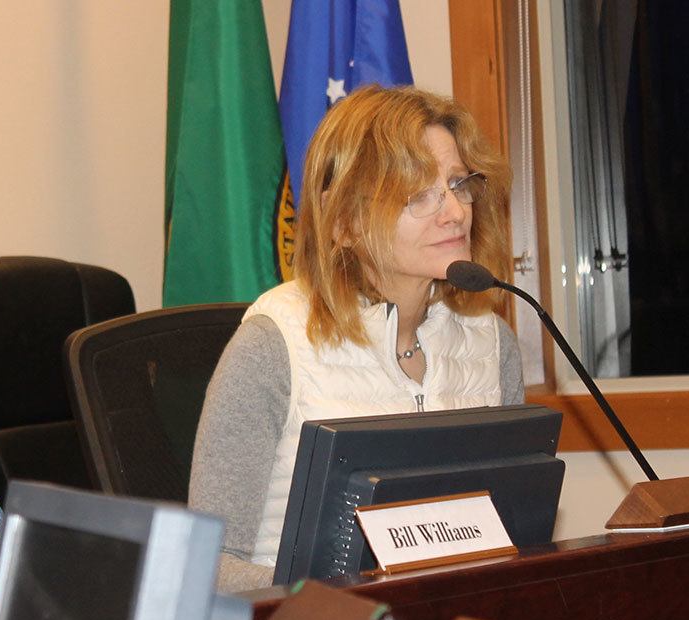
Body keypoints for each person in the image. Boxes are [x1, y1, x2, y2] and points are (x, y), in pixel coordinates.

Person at [190, 85, 525, 593]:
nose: (455, 211)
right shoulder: (274, 345)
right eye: (419, 194)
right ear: (344, 221)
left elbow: (511, 535)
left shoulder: (490, 344)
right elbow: (207, 566)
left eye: (458, 184)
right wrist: (348, 606)